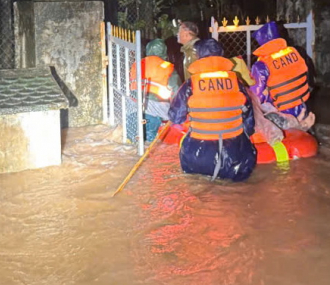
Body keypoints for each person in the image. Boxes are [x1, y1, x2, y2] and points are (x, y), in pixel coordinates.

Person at [169, 38, 257, 182]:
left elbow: (176, 117)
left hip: (199, 157)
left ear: (199, 57)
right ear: (222, 55)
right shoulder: (236, 81)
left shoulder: (191, 84)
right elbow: (248, 118)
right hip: (235, 156)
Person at [250, 21, 315, 131]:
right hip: (303, 105)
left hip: (282, 112)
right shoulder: (295, 52)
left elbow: (257, 95)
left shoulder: (261, 65)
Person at [129, 39, 181, 142]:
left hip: (135, 104)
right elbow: (176, 91)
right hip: (158, 107)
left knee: (135, 139)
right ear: (164, 51)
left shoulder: (138, 64)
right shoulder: (167, 67)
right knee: (151, 140)